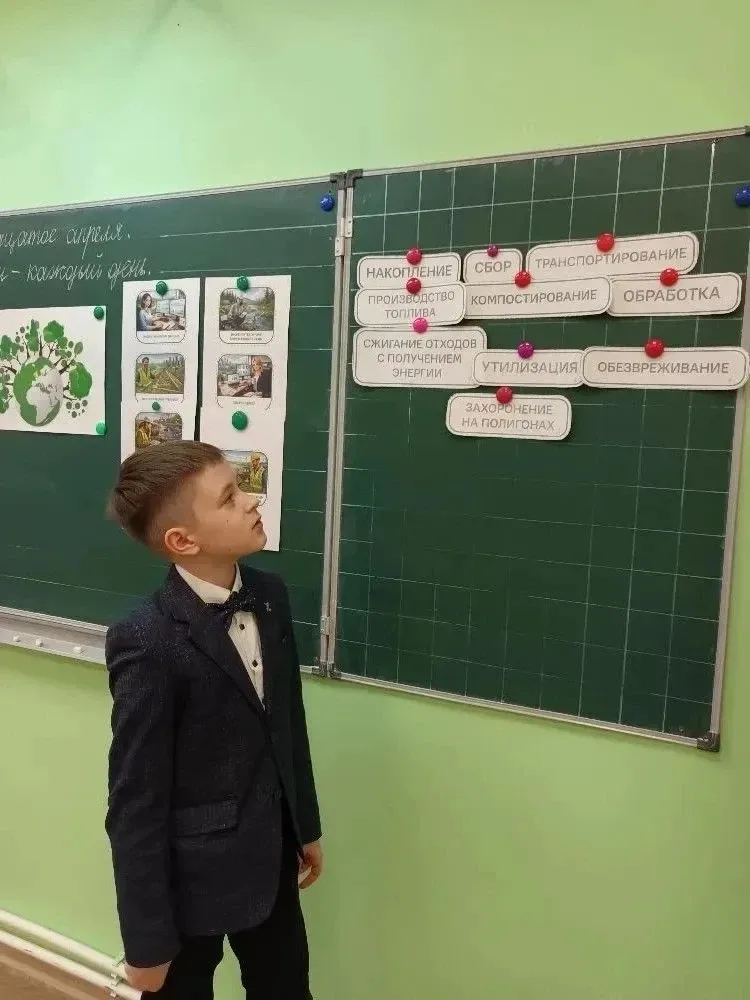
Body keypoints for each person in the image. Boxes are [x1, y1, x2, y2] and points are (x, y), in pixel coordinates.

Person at [105, 441, 322, 999]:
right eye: (229, 497)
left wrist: (305, 826)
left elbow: (287, 723)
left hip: (270, 857)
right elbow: (135, 799)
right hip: (189, 883)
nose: (251, 501)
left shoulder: (270, 596)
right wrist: (146, 943)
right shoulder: (147, 640)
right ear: (183, 541)